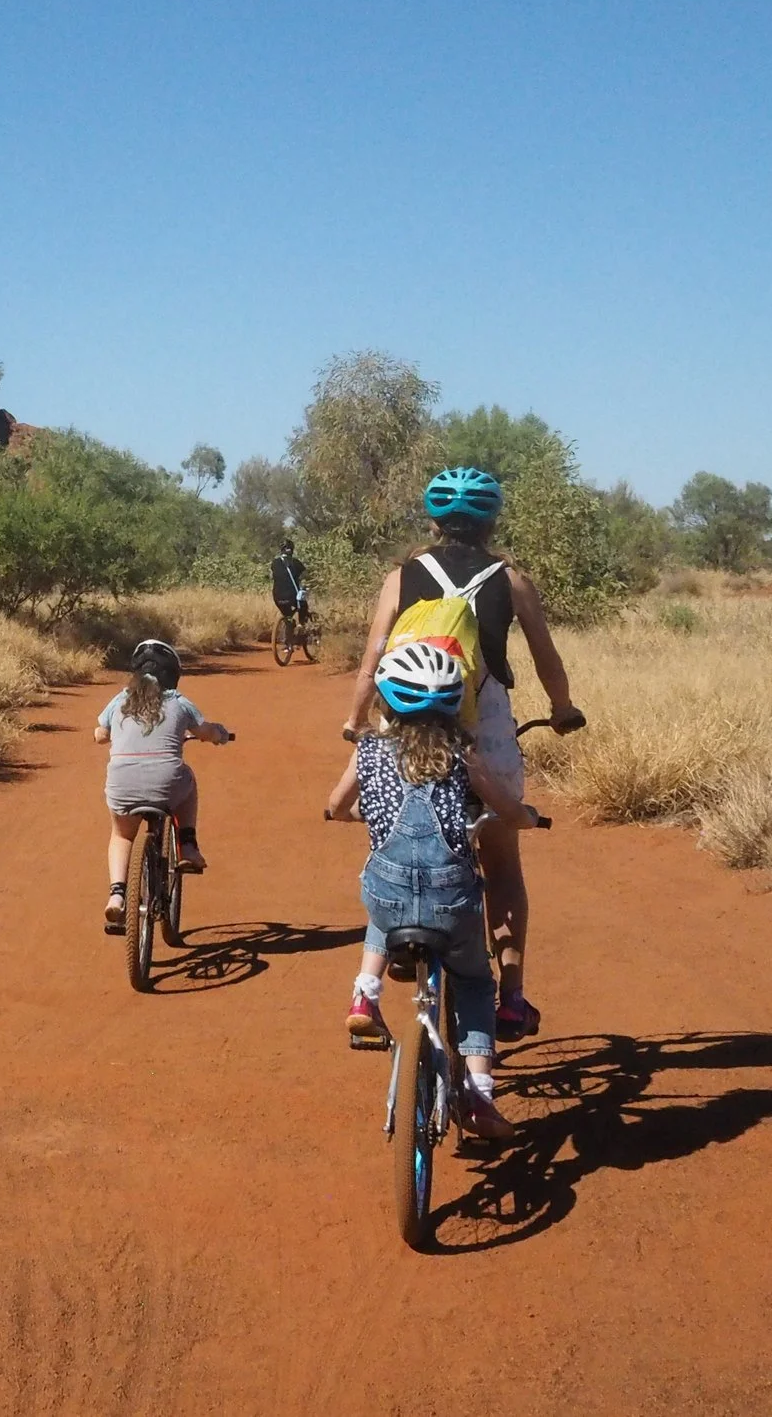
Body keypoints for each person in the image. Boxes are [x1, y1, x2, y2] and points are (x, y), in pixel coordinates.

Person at [342, 466, 583, 1041]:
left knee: (392, 832)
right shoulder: (512, 579)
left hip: (406, 719)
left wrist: (354, 720)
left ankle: (392, 945)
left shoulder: (402, 576)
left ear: (434, 521)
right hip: (487, 721)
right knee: (502, 861)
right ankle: (512, 997)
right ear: (491, 521)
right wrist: (562, 708)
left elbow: (373, 659)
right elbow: (546, 657)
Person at [325, 640, 543, 1142]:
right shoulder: (465, 758)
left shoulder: (369, 751)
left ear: (386, 701)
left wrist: (362, 814)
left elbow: (335, 807)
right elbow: (509, 812)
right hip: (451, 905)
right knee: (475, 983)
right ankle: (480, 1095)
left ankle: (365, 994)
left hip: (391, 901)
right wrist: (527, 818)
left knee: (384, 897)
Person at [95, 638, 232, 931]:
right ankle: (188, 845)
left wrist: (108, 733)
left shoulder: (120, 700)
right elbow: (205, 731)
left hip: (122, 784)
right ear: (172, 672)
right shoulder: (178, 702)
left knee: (122, 836)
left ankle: (117, 894)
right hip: (166, 783)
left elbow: (100, 734)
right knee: (188, 779)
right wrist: (220, 735)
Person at [270, 539, 310, 627]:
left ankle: (289, 626)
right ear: (292, 549)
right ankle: (301, 624)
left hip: (277, 597)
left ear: (281, 549)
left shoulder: (274, 563)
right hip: (292, 597)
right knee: (303, 605)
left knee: (288, 616)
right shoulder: (296, 562)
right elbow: (306, 575)